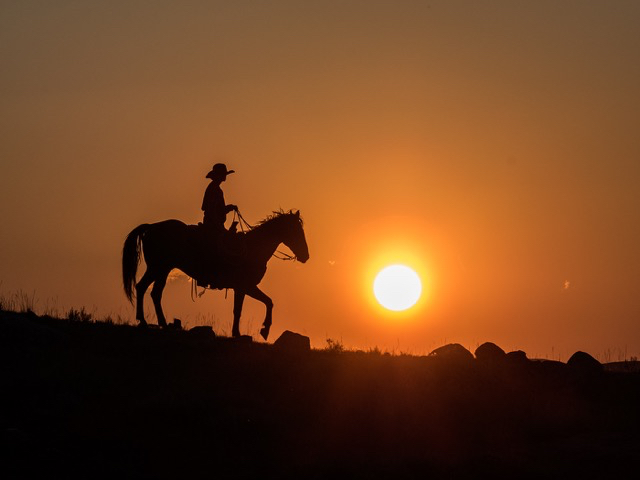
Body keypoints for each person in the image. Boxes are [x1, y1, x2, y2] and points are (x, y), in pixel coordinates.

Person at [201, 163, 238, 234]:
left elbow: (218, 209)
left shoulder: (214, 187)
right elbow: (214, 209)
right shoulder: (214, 189)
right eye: (223, 174)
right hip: (214, 224)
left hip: (215, 223)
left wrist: (229, 207)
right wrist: (229, 208)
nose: (225, 176)